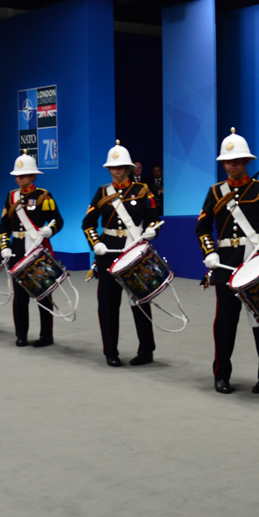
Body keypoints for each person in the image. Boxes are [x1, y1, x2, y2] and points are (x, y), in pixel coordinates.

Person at [196, 128, 259, 394]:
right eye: (228, 161)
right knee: (224, 323)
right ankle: (221, 375)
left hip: (254, 262)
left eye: (238, 161)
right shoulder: (215, 192)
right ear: (223, 164)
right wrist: (209, 252)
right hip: (226, 266)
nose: (233, 165)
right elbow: (202, 227)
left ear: (247, 162)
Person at [83, 141, 161, 366]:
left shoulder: (142, 191)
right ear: (108, 169)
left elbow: (154, 219)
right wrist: (95, 243)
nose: (116, 171)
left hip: (134, 250)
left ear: (128, 168)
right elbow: (88, 223)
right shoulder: (102, 192)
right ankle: (111, 351)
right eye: (113, 167)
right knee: (107, 304)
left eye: (121, 167)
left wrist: (151, 232)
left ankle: (146, 350)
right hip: (108, 252)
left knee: (140, 302)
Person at [0, 153, 64, 347]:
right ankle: (21, 334)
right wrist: (4, 245)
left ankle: (46, 335)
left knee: (43, 294)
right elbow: (4, 225)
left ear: (33, 176)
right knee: (20, 297)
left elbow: (58, 221)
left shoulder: (43, 196)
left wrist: (49, 230)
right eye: (18, 175)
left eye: (25, 174)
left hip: (37, 249)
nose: (20, 178)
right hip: (17, 249)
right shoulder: (12, 197)